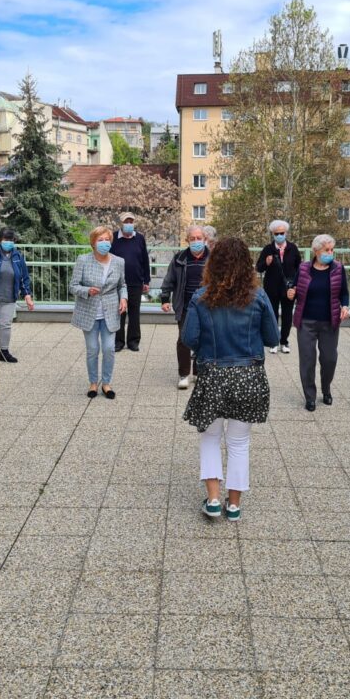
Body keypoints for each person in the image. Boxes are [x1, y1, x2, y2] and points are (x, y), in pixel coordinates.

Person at [182, 237, 279, 522]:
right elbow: (273, 337)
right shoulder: (258, 296)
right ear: (247, 265)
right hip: (248, 376)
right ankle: (234, 505)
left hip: (213, 375)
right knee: (239, 442)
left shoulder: (201, 296)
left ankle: (213, 500)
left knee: (210, 438)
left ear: (212, 264)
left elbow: (189, 338)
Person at [290, 234, 350, 411]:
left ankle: (326, 388)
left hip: (329, 322)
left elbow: (344, 292)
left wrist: (345, 306)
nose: (330, 253)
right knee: (307, 360)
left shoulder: (338, 268)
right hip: (306, 321)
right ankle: (310, 397)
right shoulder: (303, 268)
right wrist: (291, 293)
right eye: (326, 250)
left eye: (332, 250)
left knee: (329, 359)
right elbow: (294, 288)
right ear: (316, 251)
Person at [70, 226, 127, 399]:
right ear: (93, 243)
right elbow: (73, 286)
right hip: (89, 312)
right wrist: (87, 290)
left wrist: (123, 298)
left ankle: (106, 383)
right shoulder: (83, 260)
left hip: (110, 311)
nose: (104, 243)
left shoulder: (118, 261)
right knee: (93, 349)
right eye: (100, 240)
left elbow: (122, 285)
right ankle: (93, 383)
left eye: (107, 240)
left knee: (109, 349)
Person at [161, 225, 209, 389]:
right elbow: (169, 280)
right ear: (187, 240)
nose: (196, 241)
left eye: (199, 238)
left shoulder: (214, 258)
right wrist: (165, 299)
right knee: (184, 339)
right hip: (185, 305)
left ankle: (198, 372)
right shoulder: (179, 258)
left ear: (205, 239)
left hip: (207, 306)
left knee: (204, 339)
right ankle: (184, 374)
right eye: (192, 238)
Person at [0, 228, 34, 363]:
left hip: (9, 297)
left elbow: (24, 277)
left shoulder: (17, 256)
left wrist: (27, 295)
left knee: (5, 325)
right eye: (6, 239)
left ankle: (4, 352)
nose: (8, 242)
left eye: (11, 240)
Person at [255, 220, 300, 354]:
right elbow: (259, 267)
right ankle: (274, 342)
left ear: (286, 233)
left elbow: (299, 268)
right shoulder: (268, 249)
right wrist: (266, 262)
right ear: (273, 234)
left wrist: (295, 286)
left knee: (287, 316)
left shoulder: (293, 248)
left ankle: (284, 342)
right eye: (276, 233)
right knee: (272, 315)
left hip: (288, 288)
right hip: (272, 288)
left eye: (282, 233)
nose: (279, 235)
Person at [110, 211, 151, 353]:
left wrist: (146, 280)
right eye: (126, 222)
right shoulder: (114, 238)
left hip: (136, 281)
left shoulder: (139, 238)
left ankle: (133, 341)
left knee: (134, 313)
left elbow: (145, 259)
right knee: (119, 312)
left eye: (131, 221)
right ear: (121, 223)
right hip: (118, 282)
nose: (129, 224)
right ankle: (118, 342)